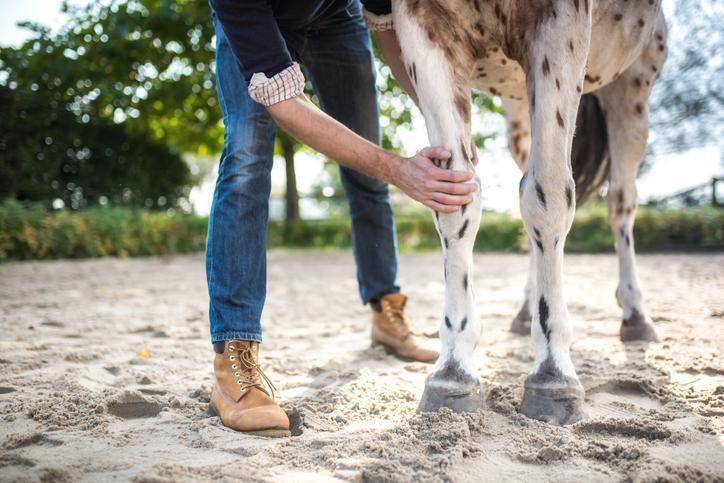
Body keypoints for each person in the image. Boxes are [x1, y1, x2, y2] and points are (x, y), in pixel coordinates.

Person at [206, 0, 477, 437]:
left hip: (338, 19)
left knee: (367, 168)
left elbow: (391, 37)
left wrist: (446, 118)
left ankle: (386, 312)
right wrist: (399, 169)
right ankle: (233, 355)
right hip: (259, 21)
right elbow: (286, 104)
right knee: (246, 162)